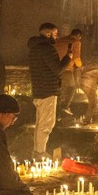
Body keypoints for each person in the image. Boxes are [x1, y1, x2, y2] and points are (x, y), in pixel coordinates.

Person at [28, 23, 72, 158]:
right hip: (48, 90)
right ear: (48, 34)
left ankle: (37, 151)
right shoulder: (47, 49)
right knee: (46, 124)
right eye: (55, 34)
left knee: (40, 123)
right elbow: (57, 69)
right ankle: (40, 152)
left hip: (39, 89)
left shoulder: (34, 48)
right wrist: (67, 58)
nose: (56, 37)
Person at [55, 29, 83, 116]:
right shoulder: (76, 42)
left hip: (55, 68)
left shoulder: (59, 41)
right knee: (72, 87)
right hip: (67, 69)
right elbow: (76, 58)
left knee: (59, 90)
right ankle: (66, 107)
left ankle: (57, 110)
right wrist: (80, 66)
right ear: (78, 36)